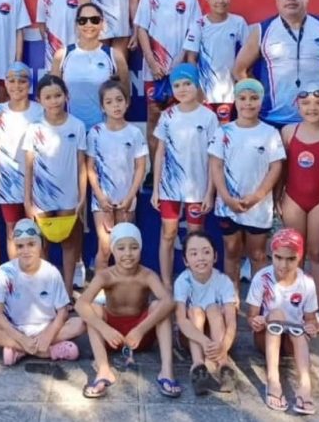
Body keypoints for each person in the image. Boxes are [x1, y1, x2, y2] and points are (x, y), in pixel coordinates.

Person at [75, 223, 180, 399]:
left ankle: (167, 371)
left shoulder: (147, 275)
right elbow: (80, 305)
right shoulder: (106, 276)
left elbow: (169, 301)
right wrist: (105, 329)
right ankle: (103, 370)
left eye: (134, 247)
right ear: (113, 251)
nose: (128, 254)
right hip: (112, 336)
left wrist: (140, 330)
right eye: (121, 248)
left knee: (158, 307)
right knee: (93, 310)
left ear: (141, 249)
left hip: (141, 335)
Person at [234, 0, 319, 129]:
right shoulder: (262, 30)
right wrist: (257, 97)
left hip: (314, 120)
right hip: (272, 120)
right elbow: (239, 70)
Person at [209, 79, 284, 298]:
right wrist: (225, 196)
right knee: (231, 251)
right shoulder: (224, 132)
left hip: (258, 207)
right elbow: (216, 164)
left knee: (258, 254)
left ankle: (258, 299)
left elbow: (275, 167)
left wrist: (258, 196)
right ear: (235, 101)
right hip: (228, 205)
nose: (248, 104)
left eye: (253, 99)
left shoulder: (270, 133)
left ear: (261, 101)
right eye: (242, 98)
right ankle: (230, 298)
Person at [279, 85, 319, 333]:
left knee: (317, 253)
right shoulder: (288, 132)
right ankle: (291, 305)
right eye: (306, 104)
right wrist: (278, 196)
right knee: (294, 253)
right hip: (293, 196)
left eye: (318, 104)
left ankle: (314, 311)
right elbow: (282, 169)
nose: (312, 108)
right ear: (298, 106)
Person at [0, 219, 85, 365]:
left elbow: (63, 312)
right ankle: (48, 352)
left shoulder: (51, 272)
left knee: (80, 324)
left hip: (46, 326)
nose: (26, 251)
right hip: (16, 329)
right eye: (20, 246)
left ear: (41, 245)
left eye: (31, 244)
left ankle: (18, 351)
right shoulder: (5, 271)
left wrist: (48, 334)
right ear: (15, 247)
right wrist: (22, 339)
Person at [152, 63, 218, 288]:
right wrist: (156, 188)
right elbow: (160, 152)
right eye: (177, 85)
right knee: (168, 234)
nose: (182, 89)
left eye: (187, 83)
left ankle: (194, 284)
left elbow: (213, 158)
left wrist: (210, 191)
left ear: (197, 85)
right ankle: (167, 285)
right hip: (170, 187)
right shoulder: (167, 116)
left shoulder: (209, 117)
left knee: (195, 239)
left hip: (197, 189)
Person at [136, 0, 202, 163]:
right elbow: (142, 29)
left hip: (179, 70)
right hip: (153, 71)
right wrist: (152, 63)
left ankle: (177, 167)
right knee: (154, 119)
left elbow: (194, 32)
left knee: (179, 121)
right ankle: (154, 172)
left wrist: (180, 62)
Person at [23, 74, 87, 297]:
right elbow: (29, 167)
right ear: (40, 100)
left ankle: (67, 293)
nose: (54, 101)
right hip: (42, 198)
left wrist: (82, 197)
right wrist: (28, 200)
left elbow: (81, 165)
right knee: (43, 246)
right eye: (48, 97)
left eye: (58, 95)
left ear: (66, 96)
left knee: (70, 245)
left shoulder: (77, 126)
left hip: (69, 197)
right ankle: (49, 293)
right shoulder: (34, 128)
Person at [246, 228, 318, 415]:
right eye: (278, 257)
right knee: (277, 314)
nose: (283, 265)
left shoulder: (307, 282)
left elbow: (311, 319)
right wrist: (257, 321)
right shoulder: (262, 278)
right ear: (272, 254)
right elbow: (251, 317)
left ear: (300, 257)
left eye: (290, 259)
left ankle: (305, 385)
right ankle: (273, 379)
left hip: (293, 342)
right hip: (266, 337)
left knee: (297, 329)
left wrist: (312, 327)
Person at [87, 79, 148, 271]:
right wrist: (100, 196)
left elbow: (140, 167)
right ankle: (99, 293)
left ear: (127, 102)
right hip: (102, 201)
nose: (115, 105)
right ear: (102, 107)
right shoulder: (96, 133)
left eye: (119, 100)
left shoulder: (135, 133)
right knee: (105, 249)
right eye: (109, 102)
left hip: (127, 200)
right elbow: (90, 168)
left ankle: (126, 291)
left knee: (126, 248)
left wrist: (130, 197)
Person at [0, 62, 44, 260]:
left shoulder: (40, 111)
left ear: (29, 84)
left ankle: (38, 276)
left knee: (37, 230)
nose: (16, 85)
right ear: (5, 83)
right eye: (11, 80)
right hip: (7, 182)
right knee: (12, 230)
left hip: (36, 182)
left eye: (22, 80)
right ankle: (15, 276)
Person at [173, 231, 237, 396]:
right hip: (192, 337)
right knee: (195, 311)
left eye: (206, 252)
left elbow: (231, 321)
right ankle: (198, 365)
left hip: (219, 339)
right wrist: (204, 342)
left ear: (215, 256)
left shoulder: (224, 281)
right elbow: (180, 319)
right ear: (186, 260)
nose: (201, 258)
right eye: (193, 254)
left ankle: (223, 363)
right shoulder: (182, 281)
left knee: (213, 308)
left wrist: (223, 346)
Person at [50, 2, 129, 131]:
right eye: (83, 21)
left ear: (102, 24)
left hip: (104, 133)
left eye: (94, 20)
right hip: (72, 132)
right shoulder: (62, 55)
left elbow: (125, 95)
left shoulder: (114, 56)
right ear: (76, 25)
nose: (89, 25)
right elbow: (53, 94)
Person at [183, 0, 249, 123]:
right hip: (204, 93)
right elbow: (191, 58)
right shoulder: (199, 24)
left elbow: (248, 56)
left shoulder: (238, 23)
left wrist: (243, 84)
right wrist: (196, 89)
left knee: (226, 135)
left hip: (230, 93)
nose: (220, 1)